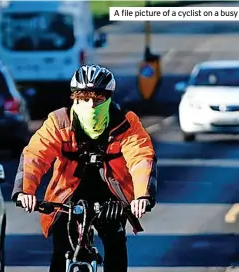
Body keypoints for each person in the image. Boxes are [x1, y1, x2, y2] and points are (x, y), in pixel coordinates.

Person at [12, 64, 158, 272]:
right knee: (61, 245)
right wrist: (25, 191)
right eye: (84, 98)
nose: (90, 105)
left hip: (111, 193)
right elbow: (35, 155)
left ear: (108, 99)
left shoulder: (126, 124)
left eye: (98, 99)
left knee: (114, 240)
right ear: (74, 98)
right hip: (67, 192)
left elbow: (142, 158)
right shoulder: (59, 122)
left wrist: (142, 196)